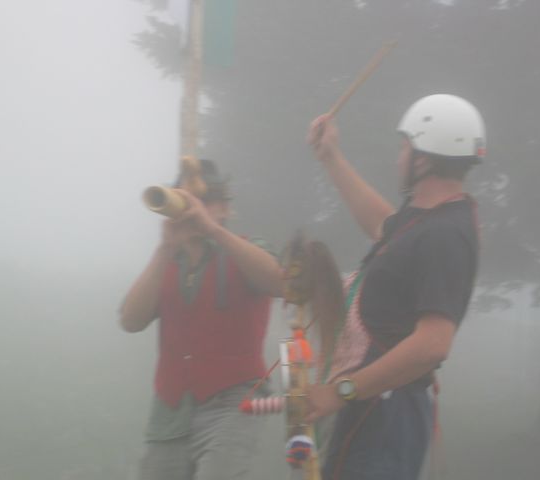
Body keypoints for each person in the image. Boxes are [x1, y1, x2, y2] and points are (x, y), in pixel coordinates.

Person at [305, 94, 485, 480]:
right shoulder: (423, 222)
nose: (398, 159)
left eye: (404, 148)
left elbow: (433, 343)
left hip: (387, 414)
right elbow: (382, 226)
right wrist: (331, 158)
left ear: (423, 160)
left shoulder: (445, 235)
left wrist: (341, 391)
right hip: (374, 404)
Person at [120, 159, 283, 480]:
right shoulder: (166, 262)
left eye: (205, 202)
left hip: (233, 398)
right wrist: (165, 248)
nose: (193, 210)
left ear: (224, 208)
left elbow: (279, 282)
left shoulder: (247, 248)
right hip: (171, 408)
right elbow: (130, 320)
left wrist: (214, 231)